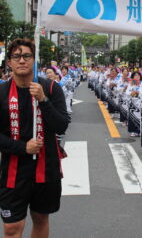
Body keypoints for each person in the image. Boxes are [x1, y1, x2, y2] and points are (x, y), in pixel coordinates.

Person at [0, 38, 69, 238]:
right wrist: (22, 148)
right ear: (10, 62)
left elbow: (61, 125)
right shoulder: (2, 92)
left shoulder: (50, 88)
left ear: (34, 60)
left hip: (46, 169)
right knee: (12, 228)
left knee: (40, 219)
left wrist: (43, 101)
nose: (22, 60)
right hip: (13, 171)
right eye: (16, 56)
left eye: (27, 56)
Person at [126, 72, 142, 137]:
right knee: (132, 117)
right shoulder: (130, 84)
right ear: (132, 77)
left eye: (138, 75)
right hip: (132, 103)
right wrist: (132, 92)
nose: (137, 76)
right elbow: (127, 92)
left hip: (140, 103)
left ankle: (140, 131)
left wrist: (139, 92)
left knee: (140, 118)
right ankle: (133, 131)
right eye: (135, 75)